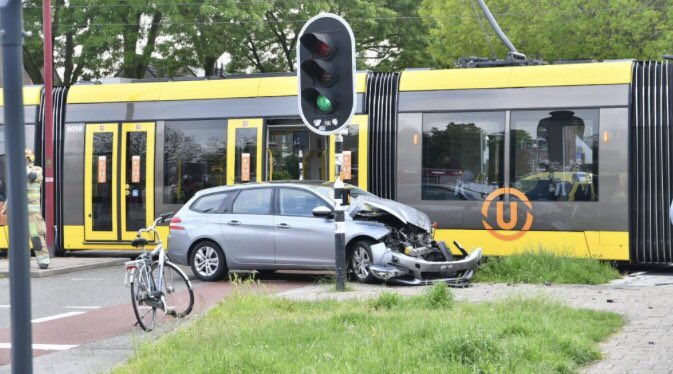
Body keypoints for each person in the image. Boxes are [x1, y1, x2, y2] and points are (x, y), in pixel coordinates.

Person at [1, 149, 50, 269]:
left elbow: (33, 177)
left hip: (33, 215)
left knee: (36, 237)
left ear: (29, 159)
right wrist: (5, 209)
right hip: (19, 214)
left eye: (25, 159)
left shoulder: (37, 170)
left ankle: (43, 261)